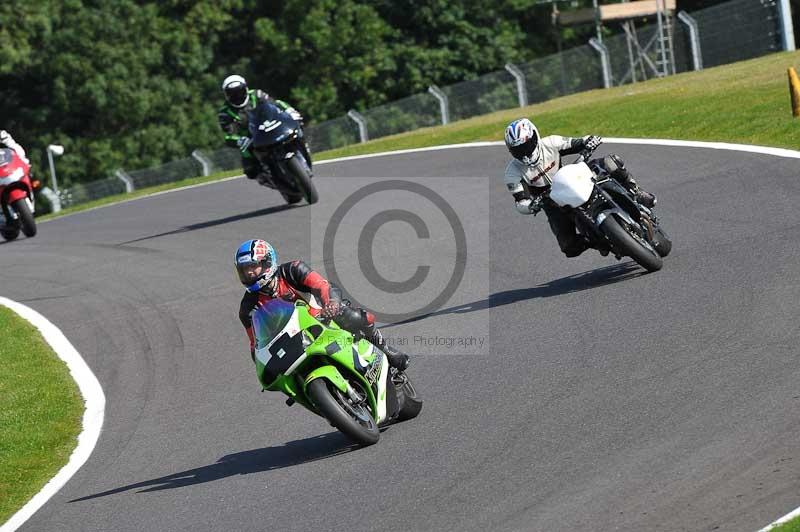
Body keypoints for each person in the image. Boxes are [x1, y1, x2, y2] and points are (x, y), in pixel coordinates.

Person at [235, 239, 410, 371]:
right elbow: (255, 343)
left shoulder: (293, 269)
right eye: (243, 270)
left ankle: (384, 349)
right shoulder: (248, 308)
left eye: (252, 267)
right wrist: (262, 363)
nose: (248, 273)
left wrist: (331, 304)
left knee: (355, 317)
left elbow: (321, 285)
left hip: (321, 315)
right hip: (291, 339)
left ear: (267, 263)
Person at [502, 118, 656, 257]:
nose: (525, 152)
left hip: (571, 177)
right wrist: (531, 206)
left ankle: (636, 192)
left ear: (535, 137)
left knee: (611, 162)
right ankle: (598, 241)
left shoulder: (550, 143)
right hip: (551, 202)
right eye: (518, 150)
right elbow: (520, 201)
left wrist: (589, 141)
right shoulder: (512, 172)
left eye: (527, 145)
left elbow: (577, 142)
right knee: (568, 247)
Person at [217, 75, 306, 187]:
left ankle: (303, 149)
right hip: (251, 139)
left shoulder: (257, 94)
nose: (237, 96)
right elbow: (228, 134)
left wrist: (289, 110)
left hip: (271, 125)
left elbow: (276, 104)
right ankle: (266, 178)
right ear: (226, 95)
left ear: (246, 89)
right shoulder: (224, 112)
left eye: (239, 92)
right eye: (232, 94)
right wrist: (239, 140)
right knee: (250, 169)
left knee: (296, 126)